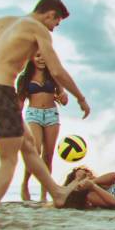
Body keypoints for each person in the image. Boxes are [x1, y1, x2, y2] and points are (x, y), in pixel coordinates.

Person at [0, 0, 90, 230]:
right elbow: (56, 69)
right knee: (8, 160)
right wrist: (80, 97)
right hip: (1, 92)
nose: (53, 28)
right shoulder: (37, 29)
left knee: (27, 144)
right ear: (50, 14)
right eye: (55, 23)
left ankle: (56, 193)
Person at [17, 52, 68, 201]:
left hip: (52, 115)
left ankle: (44, 195)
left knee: (48, 156)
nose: (41, 59)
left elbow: (64, 99)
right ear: (31, 57)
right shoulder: (24, 78)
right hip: (33, 115)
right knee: (35, 150)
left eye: (44, 56)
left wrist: (63, 96)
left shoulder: (53, 75)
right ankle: (25, 184)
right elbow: (19, 103)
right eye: (37, 55)